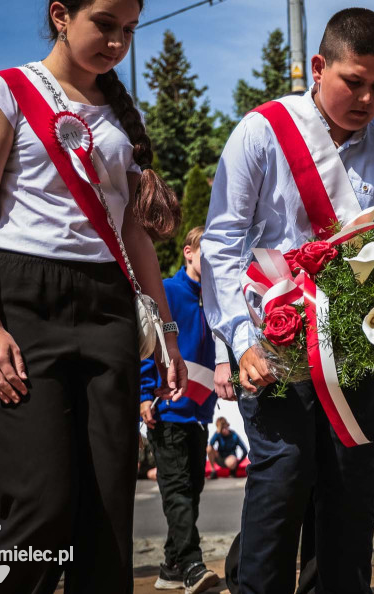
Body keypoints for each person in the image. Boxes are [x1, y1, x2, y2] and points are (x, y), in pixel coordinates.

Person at [0, 0, 188, 592]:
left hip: (107, 306)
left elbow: (131, 230)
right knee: (41, 507)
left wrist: (164, 328)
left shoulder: (117, 118)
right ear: (61, 15)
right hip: (23, 304)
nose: (117, 41)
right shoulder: (4, 92)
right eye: (105, 23)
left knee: (108, 513)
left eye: (129, 30)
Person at [202, 8, 374, 594]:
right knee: (283, 478)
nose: (367, 98)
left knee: (350, 486)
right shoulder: (262, 131)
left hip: (351, 347)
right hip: (272, 342)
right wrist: (240, 341)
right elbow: (222, 242)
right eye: (354, 81)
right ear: (319, 67)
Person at [140, 226, 224, 593]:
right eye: (206, 250)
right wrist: (144, 393)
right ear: (189, 252)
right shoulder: (168, 291)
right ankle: (191, 565)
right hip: (166, 410)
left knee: (191, 492)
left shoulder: (216, 298)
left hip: (198, 414)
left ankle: (171, 568)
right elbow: (146, 341)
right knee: (177, 492)